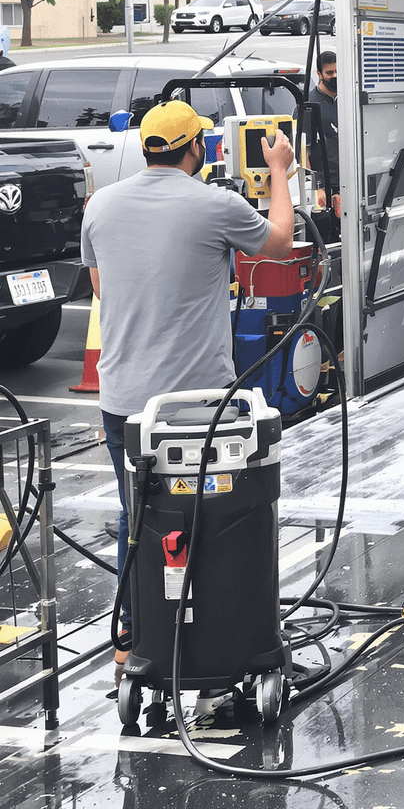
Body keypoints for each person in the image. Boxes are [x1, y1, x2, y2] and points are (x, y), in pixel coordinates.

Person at [81, 100, 295, 689]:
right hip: (198, 405)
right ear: (195, 149)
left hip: (124, 401)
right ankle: (214, 633)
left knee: (139, 516)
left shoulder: (100, 206)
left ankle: (135, 641)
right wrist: (279, 170)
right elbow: (278, 241)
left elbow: (102, 286)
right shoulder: (214, 205)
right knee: (214, 510)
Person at [309, 50, 340, 217]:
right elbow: (302, 152)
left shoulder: (349, 99)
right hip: (324, 186)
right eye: (329, 73)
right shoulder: (309, 105)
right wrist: (316, 188)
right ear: (319, 74)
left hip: (350, 183)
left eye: (337, 71)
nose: (334, 76)